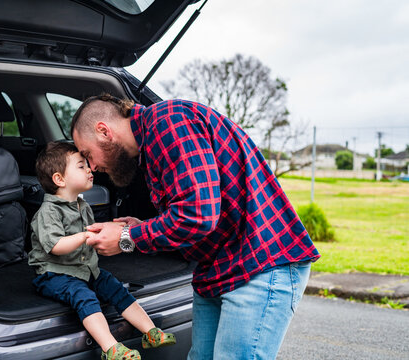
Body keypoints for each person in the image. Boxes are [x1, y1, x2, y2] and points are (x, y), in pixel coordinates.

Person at [71, 94, 321, 360]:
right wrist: (143, 226)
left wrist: (126, 237)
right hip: (218, 269)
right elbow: (192, 210)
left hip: (258, 265)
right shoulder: (155, 140)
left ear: (103, 131)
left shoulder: (169, 121)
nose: (93, 167)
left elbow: (198, 215)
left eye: (88, 154)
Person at [28, 141, 176, 360]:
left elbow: (93, 235)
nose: (90, 169)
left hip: (85, 268)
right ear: (59, 179)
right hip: (55, 274)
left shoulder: (82, 205)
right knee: (84, 296)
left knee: (115, 287)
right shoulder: (47, 212)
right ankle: (111, 348)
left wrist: (118, 232)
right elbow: (56, 246)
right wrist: (87, 236)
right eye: (81, 166)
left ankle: (151, 331)